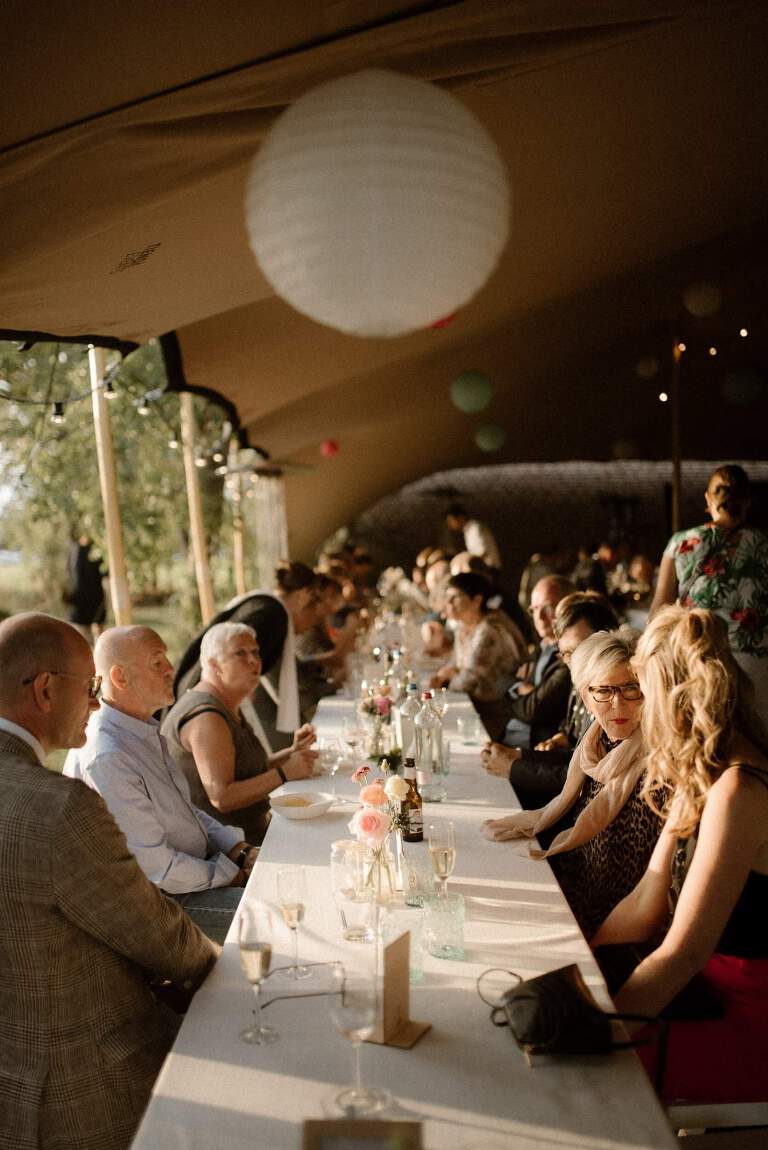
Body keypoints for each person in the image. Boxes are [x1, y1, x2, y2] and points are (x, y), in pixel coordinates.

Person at [0, 613, 215, 1150]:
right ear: (45, 690)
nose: (96, 706)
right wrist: (227, 964)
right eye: (90, 689)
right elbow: (157, 935)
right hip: (85, 1087)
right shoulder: (58, 807)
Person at [591, 606, 768, 1104]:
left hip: (746, 1018)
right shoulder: (706, 771)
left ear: (674, 697)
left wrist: (601, 1034)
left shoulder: (739, 789)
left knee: (586, 1077)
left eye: (644, 693)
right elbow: (646, 898)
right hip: (703, 994)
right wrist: (587, 960)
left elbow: (684, 954)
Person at [64, 626, 258, 943]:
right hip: (154, 906)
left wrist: (238, 850)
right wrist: (232, 875)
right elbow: (157, 869)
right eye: (157, 662)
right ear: (120, 677)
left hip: (187, 881)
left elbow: (183, 811)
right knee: (271, 913)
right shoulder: (108, 755)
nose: (170, 668)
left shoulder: (139, 729)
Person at [483, 630, 661, 937]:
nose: (617, 703)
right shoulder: (594, 743)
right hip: (573, 886)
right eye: (603, 691)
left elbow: (638, 885)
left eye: (630, 688)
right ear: (586, 698)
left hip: (612, 918)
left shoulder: (657, 765)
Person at [163, 621, 316, 844]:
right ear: (214, 665)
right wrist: (285, 773)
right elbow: (222, 797)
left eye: (255, 652)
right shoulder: (206, 716)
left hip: (250, 833)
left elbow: (245, 771)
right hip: (229, 849)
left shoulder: (226, 702)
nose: (254, 661)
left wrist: (291, 753)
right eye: (240, 653)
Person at [650, 463, 768, 718]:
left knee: (705, 731)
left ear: (708, 498)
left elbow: (660, 609)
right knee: (757, 734)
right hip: (757, 659)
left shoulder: (681, 542)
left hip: (699, 658)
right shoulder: (763, 543)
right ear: (748, 501)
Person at [482, 592, 619, 807]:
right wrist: (517, 755)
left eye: (580, 649)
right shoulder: (580, 683)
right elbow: (575, 760)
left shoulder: (615, 697)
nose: (574, 662)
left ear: (609, 640)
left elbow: (586, 781)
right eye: (566, 654)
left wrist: (513, 767)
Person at [175, 560, 320, 751]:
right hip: (206, 700)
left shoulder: (264, 604)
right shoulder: (272, 614)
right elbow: (240, 667)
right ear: (303, 594)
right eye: (314, 598)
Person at [429, 572, 526, 738]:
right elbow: (455, 663)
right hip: (477, 704)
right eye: (447, 597)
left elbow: (470, 679)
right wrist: (443, 675)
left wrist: (443, 684)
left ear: (477, 600)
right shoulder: (464, 624)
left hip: (498, 713)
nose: (448, 603)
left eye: (454, 597)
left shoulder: (490, 629)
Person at [500, 575, 574, 748]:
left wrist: (518, 692)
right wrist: (521, 687)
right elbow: (502, 681)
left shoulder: (568, 656)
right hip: (511, 736)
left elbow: (533, 711)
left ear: (569, 607)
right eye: (534, 609)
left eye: (547, 607)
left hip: (537, 748)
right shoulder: (542, 645)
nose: (539, 617)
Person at [67, 532, 106, 641]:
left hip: (94, 600)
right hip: (80, 602)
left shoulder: (96, 550)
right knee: (82, 638)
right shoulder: (74, 549)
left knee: (98, 638)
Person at [445, 503, 501, 569]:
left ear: (460, 517)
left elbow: (481, 552)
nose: (450, 525)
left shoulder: (475, 528)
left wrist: (463, 559)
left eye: (451, 521)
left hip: (490, 568)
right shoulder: (467, 530)